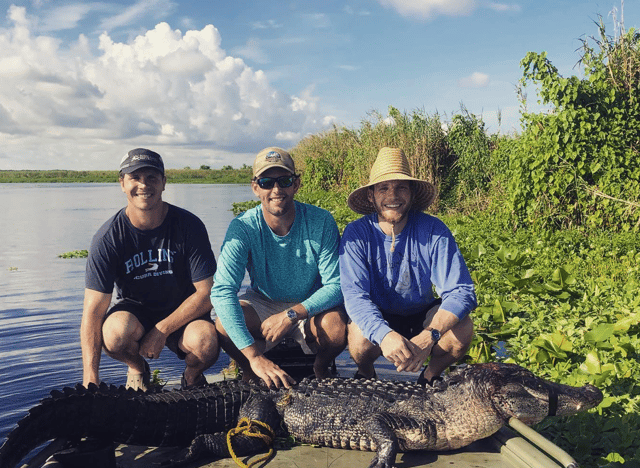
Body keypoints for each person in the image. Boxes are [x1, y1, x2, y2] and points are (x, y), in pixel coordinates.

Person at [81, 148, 219, 390]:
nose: (143, 185)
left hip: (183, 308)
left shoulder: (190, 225)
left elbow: (206, 293)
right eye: (135, 177)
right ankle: (136, 367)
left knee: (206, 343)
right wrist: (91, 376)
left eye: (152, 178)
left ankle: (192, 377)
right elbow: (93, 310)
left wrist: (162, 330)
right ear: (122, 183)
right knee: (114, 335)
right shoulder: (108, 237)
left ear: (164, 183)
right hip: (136, 310)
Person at [211, 146, 347, 389]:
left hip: (309, 304)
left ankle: (321, 368)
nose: (276, 190)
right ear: (255, 187)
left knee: (335, 329)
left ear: (296, 184)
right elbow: (222, 291)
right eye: (266, 182)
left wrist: (292, 314)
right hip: (263, 301)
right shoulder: (243, 227)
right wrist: (253, 356)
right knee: (223, 323)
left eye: (284, 180)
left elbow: (336, 285)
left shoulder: (321, 220)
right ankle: (250, 370)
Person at [339, 147, 476, 385]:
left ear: (411, 193)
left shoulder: (433, 229)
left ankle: (430, 375)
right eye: (384, 188)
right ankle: (367, 372)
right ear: (371, 195)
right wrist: (384, 335)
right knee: (359, 339)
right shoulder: (356, 233)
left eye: (401, 187)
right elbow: (355, 296)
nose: (393, 196)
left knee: (462, 330)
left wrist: (430, 335)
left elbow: (461, 291)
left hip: (421, 313)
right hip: (378, 311)